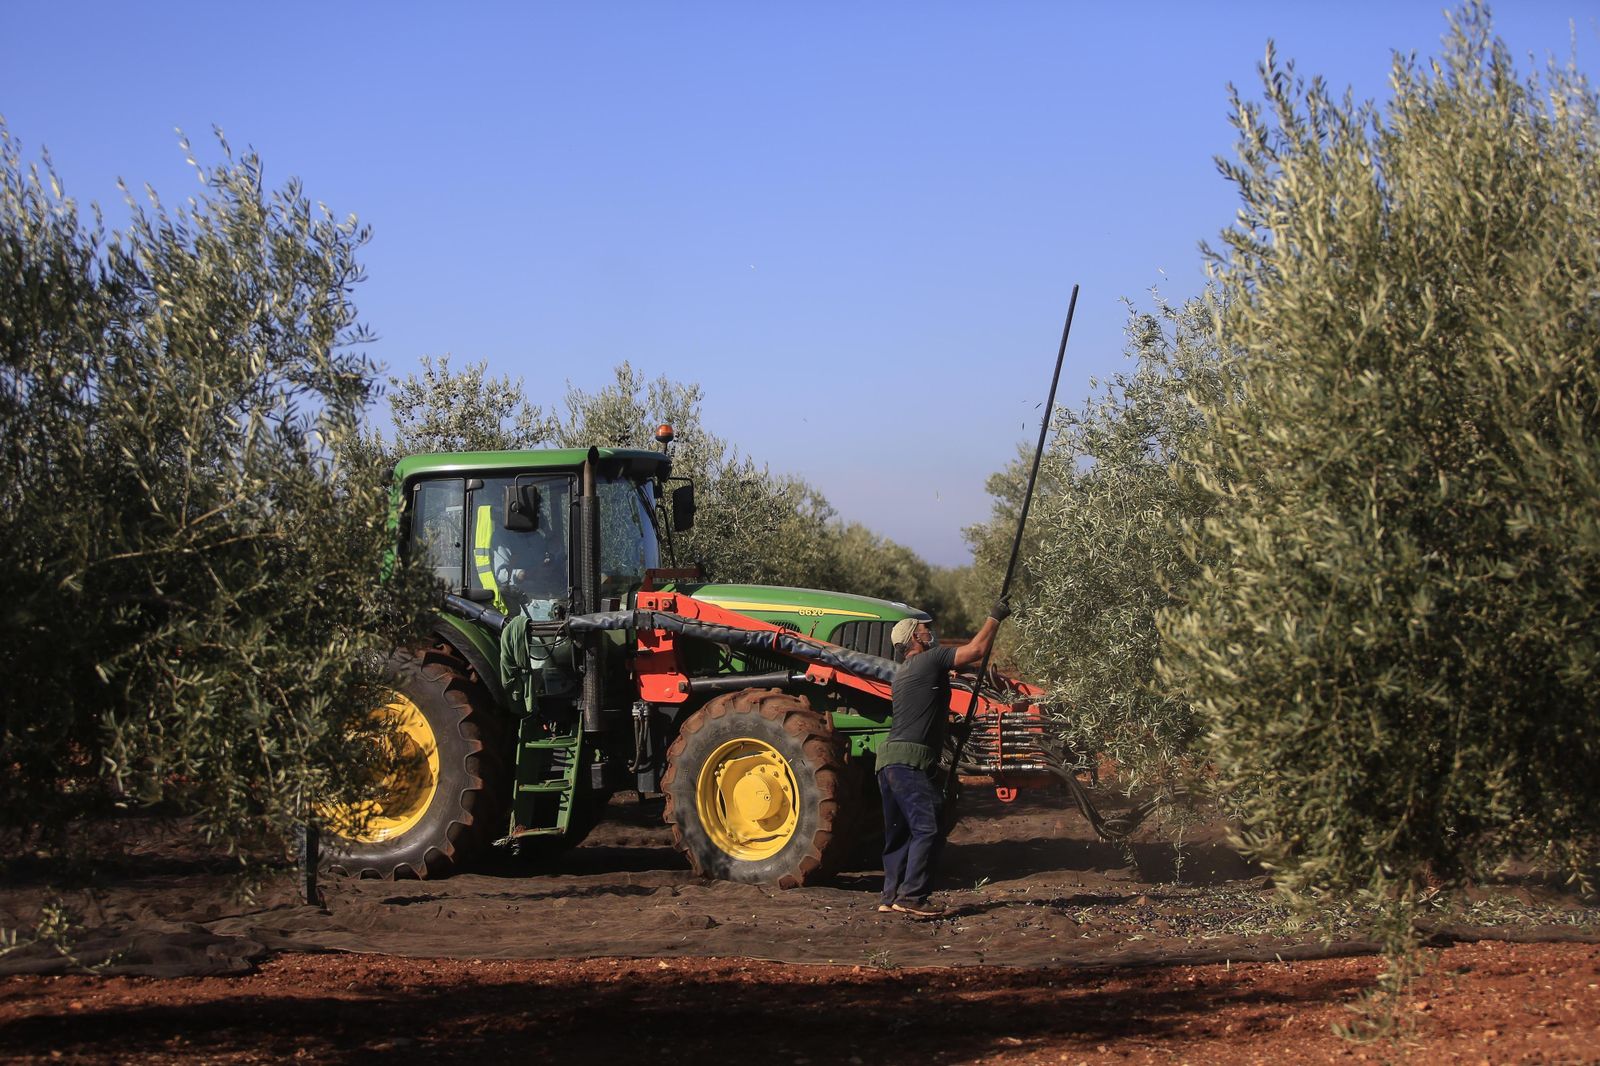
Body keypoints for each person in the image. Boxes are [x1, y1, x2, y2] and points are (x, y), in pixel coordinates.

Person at [878, 599, 1010, 917]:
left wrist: (950, 727)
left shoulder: (903, 674)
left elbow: (919, 715)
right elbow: (976, 651)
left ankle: (891, 896)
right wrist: (995, 617)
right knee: (928, 826)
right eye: (925, 629)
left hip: (888, 764)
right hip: (910, 763)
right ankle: (912, 899)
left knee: (899, 832)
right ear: (913, 638)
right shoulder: (930, 660)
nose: (930, 633)